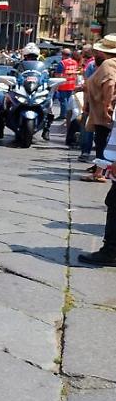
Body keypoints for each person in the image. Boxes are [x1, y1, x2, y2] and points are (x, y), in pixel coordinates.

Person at [79, 35, 116, 265]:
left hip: (105, 122)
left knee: (114, 202)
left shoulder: (109, 66)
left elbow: (109, 86)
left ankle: (110, 251)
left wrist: (107, 106)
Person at [78, 36, 116, 183]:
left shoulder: (108, 64)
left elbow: (109, 83)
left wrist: (107, 105)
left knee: (102, 142)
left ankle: (99, 173)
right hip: (108, 109)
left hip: (104, 111)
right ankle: (100, 170)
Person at [53, 48, 78, 120]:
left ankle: (63, 115)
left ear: (63, 54)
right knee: (68, 101)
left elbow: (58, 75)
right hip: (72, 84)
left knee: (63, 101)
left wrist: (56, 86)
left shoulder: (62, 63)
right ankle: (67, 115)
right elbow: (75, 74)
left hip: (63, 85)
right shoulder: (75, 62)